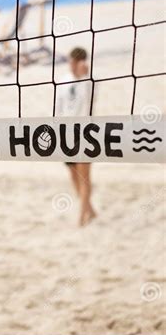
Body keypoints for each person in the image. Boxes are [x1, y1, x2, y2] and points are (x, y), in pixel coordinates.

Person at [56, 47, 96, 226]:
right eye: (70, 61)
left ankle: (82, 216)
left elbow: (89, 102)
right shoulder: (63, 81)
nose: (71, 65)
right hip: (66, 133)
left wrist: (84, 78)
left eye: (75, 62)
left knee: (84, 176)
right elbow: (59, 107)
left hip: (85, 134)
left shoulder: (90, 82)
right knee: (73, 174)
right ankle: (90, 209)